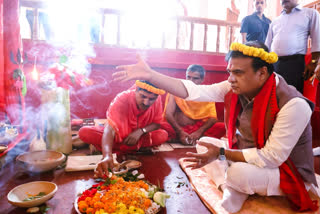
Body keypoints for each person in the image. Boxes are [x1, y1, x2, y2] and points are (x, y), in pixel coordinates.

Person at [113, 41, 319, 213]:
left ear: (262, 73)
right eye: (229, 72)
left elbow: (272, 157)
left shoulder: (294, 104)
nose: (230, 79)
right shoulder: (236, 86)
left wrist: (222, 154)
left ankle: (234, 184)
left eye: (238, 72)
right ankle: (229, 185)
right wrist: (151, 75)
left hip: (285, 170)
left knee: (238, 172)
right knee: (204, 143)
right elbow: (195, 91)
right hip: (250, 155)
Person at [78, 80, 168, 178]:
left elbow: (156, 124)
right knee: (84, 132)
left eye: (151, 99)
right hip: (118, 138)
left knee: (163, 135)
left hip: (139, 138)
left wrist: (140, 131)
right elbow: (110, 129)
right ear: (136, 90)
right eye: (143, 96)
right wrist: (107, 156)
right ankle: (121, 150)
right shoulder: (122, 99)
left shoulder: (157, 99)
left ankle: (116, 149)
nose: (146, 103)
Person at [161, 64, 225, 145]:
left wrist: (199, 132)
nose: (190, 81)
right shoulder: (176, 91)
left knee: (222, 127)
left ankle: (191, 137)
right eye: (188, 77)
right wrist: (180, 131)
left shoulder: (206, 93)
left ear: (202, 79)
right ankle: (190, 138)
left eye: (195, 78)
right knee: (160, 126)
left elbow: (213, 118)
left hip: (198, 128)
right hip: (178, 128)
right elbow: (168, 114)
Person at [265, 0, 320, 93]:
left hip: (294, 64)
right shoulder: (275, 21)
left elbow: (317, 39)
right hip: (274, 64)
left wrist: (314, 62)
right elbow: (267, 45)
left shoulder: (310, 13)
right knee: (273, 96)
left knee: (292, 98)